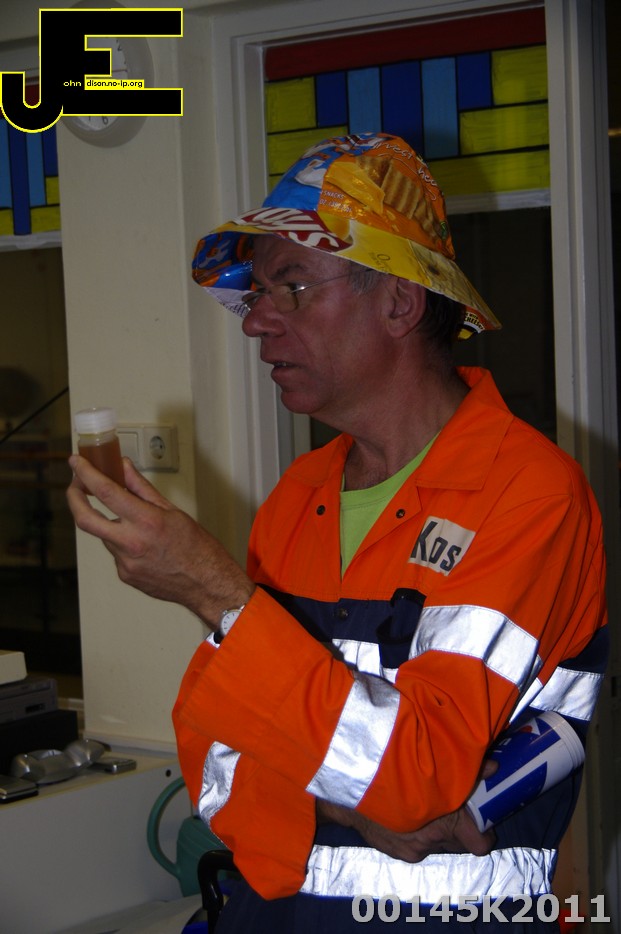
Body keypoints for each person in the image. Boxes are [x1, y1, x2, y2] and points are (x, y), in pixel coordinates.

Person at [67, 133, 608, 932]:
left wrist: (216, 593)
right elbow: (211, 757)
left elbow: (415, 775)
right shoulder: (300, 496)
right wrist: (352, 807)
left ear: (398, 302)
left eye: (290, 287)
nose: (256, 322)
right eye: (257, 294)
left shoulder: (526, 494)